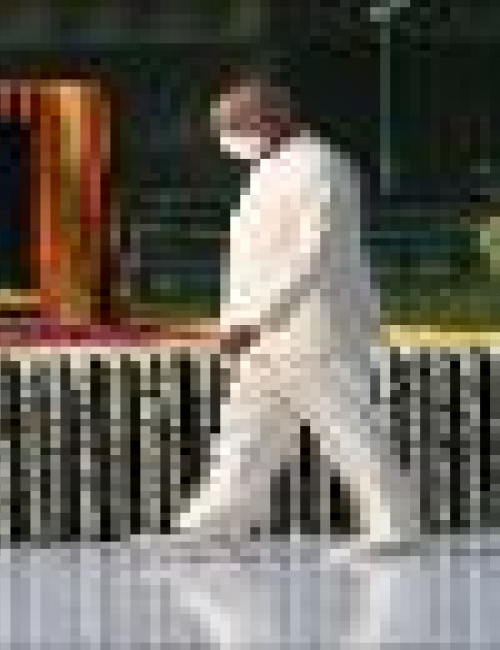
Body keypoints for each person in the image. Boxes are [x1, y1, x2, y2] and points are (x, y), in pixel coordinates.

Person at [141, 67, 423, 563]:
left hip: (314, 330)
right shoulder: (270, 168)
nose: (226, 141)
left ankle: (395, 526)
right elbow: (256, 257)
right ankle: (211, 527)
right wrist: (239, 321)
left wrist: (255, 319)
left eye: (232, 129)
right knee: (245, 435)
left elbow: (312, 256)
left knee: (348, 428)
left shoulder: (321, 168)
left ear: (268, 121)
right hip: (265, 336)